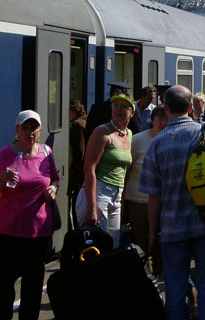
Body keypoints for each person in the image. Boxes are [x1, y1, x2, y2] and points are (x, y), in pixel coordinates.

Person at [139, 85, 205, 320]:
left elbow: (153, 196)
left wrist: (153, 233)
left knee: (175, 292)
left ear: (165, 109)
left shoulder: (156, 144)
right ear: (190, 107)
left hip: (173, 228)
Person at [0, 110, 59, 320]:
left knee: (33, 285)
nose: (30, 132)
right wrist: (3, 177)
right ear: (17, 130)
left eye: (34, 128)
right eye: (25, 128)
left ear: (40, 130)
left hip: (38, 232)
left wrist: (53, 189)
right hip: (9, 232)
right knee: (5, 284)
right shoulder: (5, 155)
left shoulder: (46, 152)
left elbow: (54, 179)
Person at [77, 93, 135, 247]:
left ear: (132, 112)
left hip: (116, 195)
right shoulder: (102, 132)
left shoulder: (129, 134)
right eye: (115, 105)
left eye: (124, 106)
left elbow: (125, 170)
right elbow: (89, 169)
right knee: (96, 247)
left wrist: (122, 200)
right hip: (98, 194)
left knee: (112, 245)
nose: (118, 109)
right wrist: (91, 207)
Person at [124, 105, 167, 274]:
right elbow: (127, 170)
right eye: (159, 118)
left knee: (162, 245)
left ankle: (159, 275)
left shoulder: (171, 140)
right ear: (152, 120)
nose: (162, 123)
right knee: (143, 244)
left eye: (166, 118)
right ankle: (148, 282)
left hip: (164, 203)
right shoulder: (138, 140)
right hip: (139, 202)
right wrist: (122, 199)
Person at [68, 99, 87, 228]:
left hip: (79, 172)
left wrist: (74, 172)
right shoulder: (85, 122)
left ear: (74, 111)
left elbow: (79, 151)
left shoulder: (77, 125)